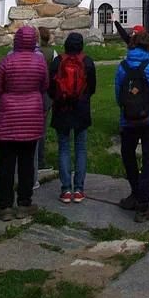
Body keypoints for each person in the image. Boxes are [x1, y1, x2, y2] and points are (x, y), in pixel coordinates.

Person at [0, 25, 49, 221]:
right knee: (26, 163)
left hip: (8, 118)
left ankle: (5, 206)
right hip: (31, 117)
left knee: (6, 164)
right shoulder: (40, 63)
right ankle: (24, 203)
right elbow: (45, 85)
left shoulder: (7, 61)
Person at [115, 30, 149, 222]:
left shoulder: (122, 66)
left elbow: (118, 93)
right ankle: (143, 205)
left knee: (128, 156)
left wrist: (127, 107)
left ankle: (135, 192)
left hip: (128, 119)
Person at [50, 32, 97, 204]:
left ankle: (65, 189)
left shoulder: (58, 62)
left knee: (63, 148)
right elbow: (92, 87)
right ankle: (78, 189)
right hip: (81, 108)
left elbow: (51, 87)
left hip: (62, 108)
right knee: (81, 149)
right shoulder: (87, 61)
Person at [35, 25, 57, 187]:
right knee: (40, 129)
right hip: (44, 95)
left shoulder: (15, 54)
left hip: (23, 95)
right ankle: (39, 160)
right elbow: (56, 73)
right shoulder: (51, 53)